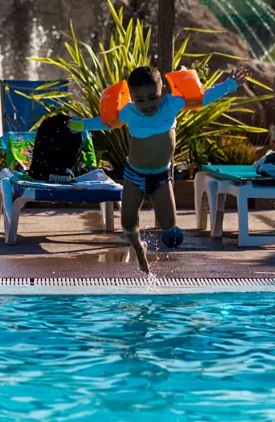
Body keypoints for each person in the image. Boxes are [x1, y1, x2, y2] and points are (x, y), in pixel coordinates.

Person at [71, 64, 249, 272]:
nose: (147, 105)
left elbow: (204, 98)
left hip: (161, 178)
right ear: (131, 97)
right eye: (139, 100)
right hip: (134, 175)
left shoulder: (171, 105)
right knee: (128, 223)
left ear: (161, 90)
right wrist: (80, 125)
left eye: (152, 97)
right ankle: (139, 250)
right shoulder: (129, 112)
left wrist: (230, 83)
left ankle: (155, 239)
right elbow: (104, 122)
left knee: (170, 231)